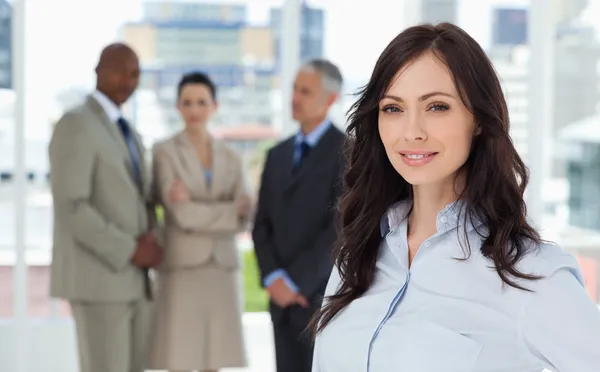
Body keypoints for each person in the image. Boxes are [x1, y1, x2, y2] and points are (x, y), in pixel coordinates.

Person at [310, 23, 600, 372]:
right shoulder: (358, 253)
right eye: (393, 108)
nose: (412, 132)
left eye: (436, 107)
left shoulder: (531, 275)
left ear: (478, 118)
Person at [49, 43, 162, 372]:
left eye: (135, 73)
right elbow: (72, 206)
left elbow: (140, 198)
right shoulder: (76, 124)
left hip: (135, 282)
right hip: (98, 280)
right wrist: (130, 249)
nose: (128, 79)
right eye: (120, 69)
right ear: (98, 70)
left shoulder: (129, 131)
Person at [149, 72, 251, 372]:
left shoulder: (232, 156)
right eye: (187, 103)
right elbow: (181, 215)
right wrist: (228, 210)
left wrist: (201, 208)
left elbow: (245, 217)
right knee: (180, 359)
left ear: (214, 106)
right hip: (182, 268)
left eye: (202, 102)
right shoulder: (164, 152)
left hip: (221, 269)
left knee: (215, 360)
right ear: (177, 107)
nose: (195, 110)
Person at [252, 59, 345, 372]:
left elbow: (339, 228)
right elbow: (261, 224)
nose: (295, 97)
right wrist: (273, 277)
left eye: (305, 91)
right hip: (280, 303)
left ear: (330, 99)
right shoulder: (276, 155)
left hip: (318, 298)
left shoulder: (349, 153)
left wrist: (296, 282)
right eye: (294, 88)